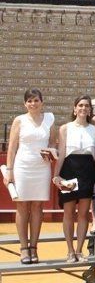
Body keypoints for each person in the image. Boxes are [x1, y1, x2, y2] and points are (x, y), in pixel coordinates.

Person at [4, 89, 57, 264]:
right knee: (22, 205)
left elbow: (51, 142)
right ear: (25, 104)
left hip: (42, 167)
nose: (33, 104)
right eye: (29, 101)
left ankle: (34, 247)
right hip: (22, 166)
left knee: (37, 206)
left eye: (36, 100)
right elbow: (12, 146)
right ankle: (23, 248)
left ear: (42, 102)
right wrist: (10, 170)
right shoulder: (19, 120)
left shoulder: (49, 118)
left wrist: (50, 152)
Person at [53, 95, 95, 263]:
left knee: (83, 213)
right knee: (68, 213)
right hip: (69, 169)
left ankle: (80, 250)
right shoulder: (65, 128)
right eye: (80, 105)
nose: (83, 108)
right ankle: (70, 250)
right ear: (74, 109)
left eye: (86, 106)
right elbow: (60, 155)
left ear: (90, 110)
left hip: (88, 170)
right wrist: (56, 175)